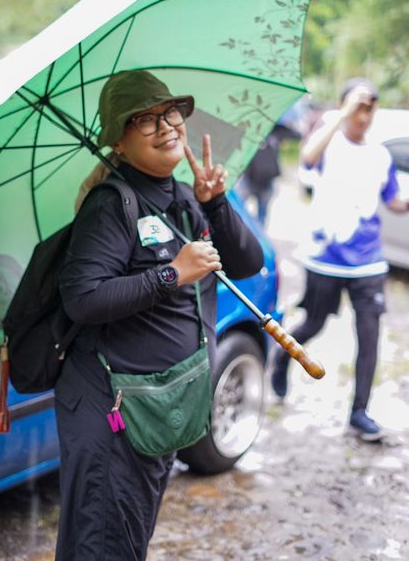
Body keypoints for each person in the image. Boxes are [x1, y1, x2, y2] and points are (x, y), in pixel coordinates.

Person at [54, 69, 264, 560]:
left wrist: (217, 203)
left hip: (159, 407)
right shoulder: (110, 206)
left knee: (127, 539)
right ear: (119, 142)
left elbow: (247, 263)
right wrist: (171, 274)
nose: (166, 126)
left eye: (170, 113)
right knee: (105, 545)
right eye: (145, 119)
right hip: (115, 414)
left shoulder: (185, 198)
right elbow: (83, 298)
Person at [270, 78, 409, 441]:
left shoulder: (380, 156)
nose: (363, 116)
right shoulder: (329, 143)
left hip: (369, 262)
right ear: (344, 108)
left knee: (370, 337)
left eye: (368, 109)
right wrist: (342, 113)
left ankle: (359, 413)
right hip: (326, 259)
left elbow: (393, 200)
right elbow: (307, 157)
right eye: (357, 108)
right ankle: (281, 359)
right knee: (313, 324)